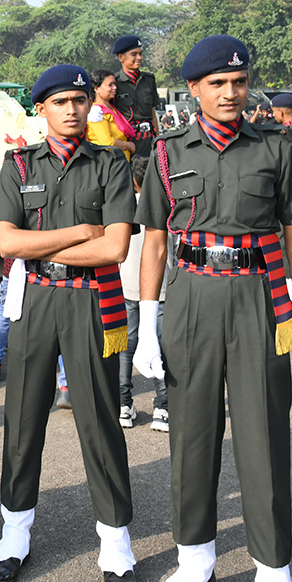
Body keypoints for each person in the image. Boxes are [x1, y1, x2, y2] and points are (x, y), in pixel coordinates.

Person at [135, 35, 292, 582]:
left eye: (239, 82)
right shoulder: (166, 153)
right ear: (194, 89)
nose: (230, 92)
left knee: (263, 438)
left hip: (257, 298)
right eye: (216, 83)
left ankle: (273, 579)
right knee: (191, 438)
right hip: (190, 296)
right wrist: (148, 327)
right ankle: (194, 566)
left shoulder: (277, 147)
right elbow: (155, 243)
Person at [0, 65, 138, 582]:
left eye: (78, 99)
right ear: (41, 109)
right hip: (35, 299)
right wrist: (78, 232)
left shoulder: (110, 164)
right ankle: (14, 535)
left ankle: (116, 546)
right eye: (59, 101)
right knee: (23, 418)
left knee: (100, 420)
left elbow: (114, 247)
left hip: (89, 299)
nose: (71, 109)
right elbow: (7, 244)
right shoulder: (18, 164)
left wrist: (43, 242)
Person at [119, 154, 171, 433]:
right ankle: (163, 407)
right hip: (160, 288)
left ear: (134, 180)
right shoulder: (166, 204)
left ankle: (123, 404)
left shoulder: (125, 206)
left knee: (126, 348)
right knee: (161, 348)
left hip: (128, 285)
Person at [111, 35, 159, 157]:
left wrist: (158, 140)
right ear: (121, 57)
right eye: (134, 54)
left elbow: (152, 112)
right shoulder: (114, 82)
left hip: (148, 140)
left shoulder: (149, 80)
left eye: (140, 54)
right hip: (126, 141)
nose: (139, 58)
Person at [86, 68, 137, 160]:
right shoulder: (96, 112)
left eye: (114, 84)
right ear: (97, 89)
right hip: (109, 163)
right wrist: (128, 145)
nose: (115, 87)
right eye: (110, 85)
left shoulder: (111, 108)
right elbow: (107, 142)